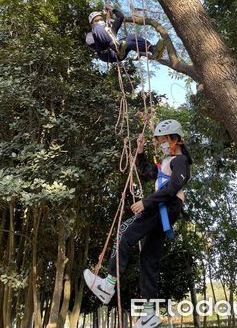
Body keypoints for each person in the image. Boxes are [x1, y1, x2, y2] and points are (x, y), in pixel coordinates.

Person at [83, 119, 193, 328]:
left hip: (166, 205)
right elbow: (146, 171)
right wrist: (140, 152)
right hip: (165, 208)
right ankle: (150, 313)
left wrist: (146, 202)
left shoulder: (180, 161)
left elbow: (176, 184)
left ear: (175, 139)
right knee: (149, 259)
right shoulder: (167, 162)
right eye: (158, 141)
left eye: (162, 140)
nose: (160, 144)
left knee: (125, 232)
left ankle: (108, 285)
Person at [85, 5, 166, 63]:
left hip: (119, 53)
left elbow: (120, 17)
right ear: (91, 24)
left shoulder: (111, 30)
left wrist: (112, 9)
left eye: (101, 19)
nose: (99, 21)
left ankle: (153, 50)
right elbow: (90, 43)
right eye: (96, 20)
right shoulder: (91, 34)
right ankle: (116, 47)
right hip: (106, 53)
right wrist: (104, 42)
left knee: (131, 38)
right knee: (97, 27)